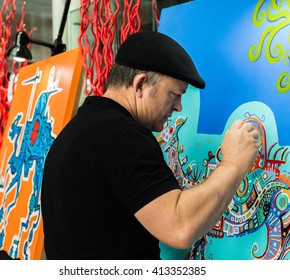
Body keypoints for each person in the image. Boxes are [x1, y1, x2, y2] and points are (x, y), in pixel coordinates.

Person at [41, 31, 260, 259]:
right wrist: (233, 164)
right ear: (141, 84)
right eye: (174, 95)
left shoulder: (79, 128)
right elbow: (180, 227)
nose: (179, 107)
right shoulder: (122, 136)